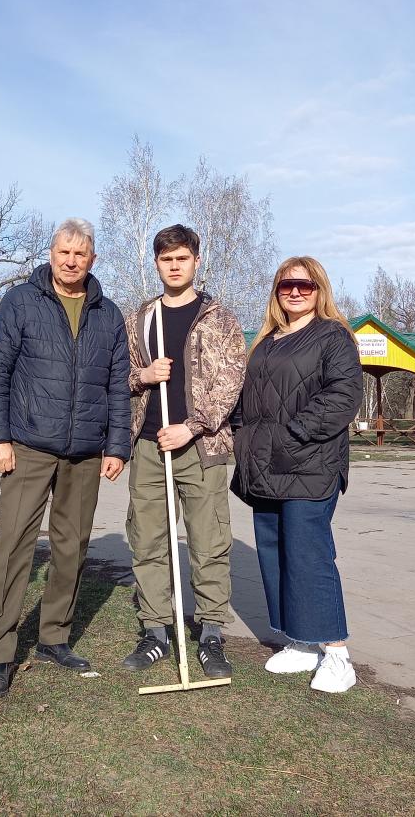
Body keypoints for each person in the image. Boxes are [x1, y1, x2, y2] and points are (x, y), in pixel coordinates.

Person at [0, 219, 131, 698]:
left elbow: (117, 385)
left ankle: (54, 637)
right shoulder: (22, 302)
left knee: (72, 547)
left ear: (92, 259)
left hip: (85, 453)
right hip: (27, 445)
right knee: (13, 548)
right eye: (64, 252)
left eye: (80, 254)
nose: (70, 261)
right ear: (51, 253)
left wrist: (117, 445)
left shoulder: (109, 314)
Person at [230, 256, 363, 694]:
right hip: (265, 467)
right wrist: (240, 435)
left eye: (305, 286)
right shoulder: (266, 341)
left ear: (319, 289)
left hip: (309, 463)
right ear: (277, 291)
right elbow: (247, 399)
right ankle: (301, 643)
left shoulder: (332, 336)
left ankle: (337, 654)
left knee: (308, 556)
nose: (295, 292)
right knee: (274, 553)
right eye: (287, 285)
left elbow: (343, 396)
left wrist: (293, 434)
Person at [121, 225, 246, 678]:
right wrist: (144, 377)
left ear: (196, 261)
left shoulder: (219, 320)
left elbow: (231, 382)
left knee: (209, 541)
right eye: (166, 259)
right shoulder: (139, 319)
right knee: (148, 539)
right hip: (150, 445)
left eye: (182, 258)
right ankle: (155, 631)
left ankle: (211, 632)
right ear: (157, 263)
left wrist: (190, 427)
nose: (174, 266)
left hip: (202, 446)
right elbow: (121, 376)